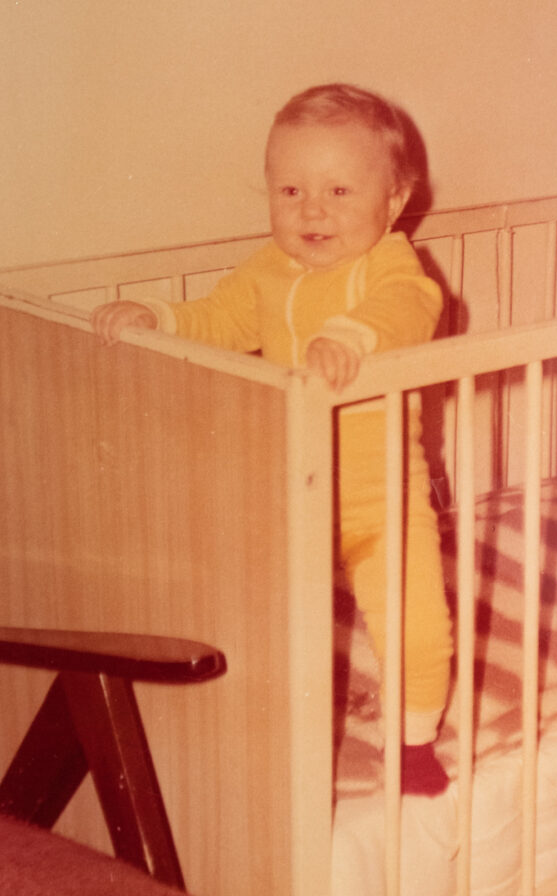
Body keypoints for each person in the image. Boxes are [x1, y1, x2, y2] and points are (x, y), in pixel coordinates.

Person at [92, 83, 453, 795]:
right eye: (290, 189)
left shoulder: (389, 265)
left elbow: (413, 308)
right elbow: (222, 319)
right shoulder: (267, 269)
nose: (311, 209)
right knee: (266, 615)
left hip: (382, 498)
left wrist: (352, 336)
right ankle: (258, 727)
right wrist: (156, 317)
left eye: (339, 190)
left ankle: (412, 744)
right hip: (291, 483)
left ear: (395, 198)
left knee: (416, 621)